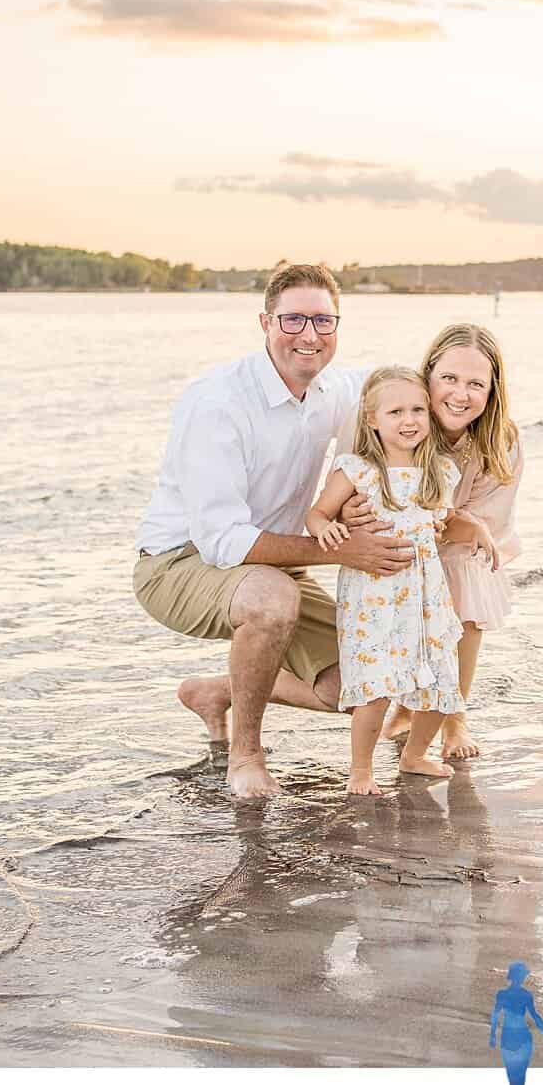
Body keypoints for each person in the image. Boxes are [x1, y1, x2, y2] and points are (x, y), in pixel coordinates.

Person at [131, 264, 415, 799]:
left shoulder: (335, 388)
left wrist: (484, 410)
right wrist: (343, 550)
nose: (309, 336)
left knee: (362, 684)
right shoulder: (218, 404)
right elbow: (222, 540)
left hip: (275, 564)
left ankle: (218, 692)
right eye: (293, 320)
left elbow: (409, 396)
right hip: (177, 563)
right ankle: (246, 756)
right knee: (271, 597)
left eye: (323, 321)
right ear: (265, 322)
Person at [306, 367, 495, 794]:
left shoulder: (439, 472)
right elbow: (318, 512)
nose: (408, 420)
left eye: (416, 410)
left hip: (425, 595)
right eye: (395, 412)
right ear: (372, 420)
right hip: (374, 594)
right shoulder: (358, 471)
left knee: (437, 678)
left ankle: (414, 755)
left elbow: (443, 524)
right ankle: (360, 770)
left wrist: (477, 530)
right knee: (376, 686)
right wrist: (325, 528)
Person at [382, 324, 523, 759]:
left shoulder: (501, 441)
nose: (461, 394)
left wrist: (455, 526)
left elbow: (481, 524)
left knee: (463, 605)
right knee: (403, 622)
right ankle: (406, 706)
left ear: (492, 391)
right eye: (449, 379)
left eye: (476, 384)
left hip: (462, 544)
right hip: (400, 539)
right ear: (428, 375)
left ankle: (454, 717)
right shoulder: (403, 421)